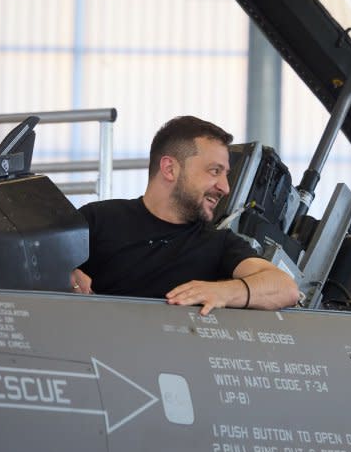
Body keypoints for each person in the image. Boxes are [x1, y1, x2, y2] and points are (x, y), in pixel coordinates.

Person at [70, 115, 300, 315]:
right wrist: (65, 274)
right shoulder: (99, 219)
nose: (225, 187)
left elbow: (285, 288)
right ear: (170, 169)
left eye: (225, 174)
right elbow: (38, 262)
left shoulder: (218, 244)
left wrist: (223, 292)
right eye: (214, 171)